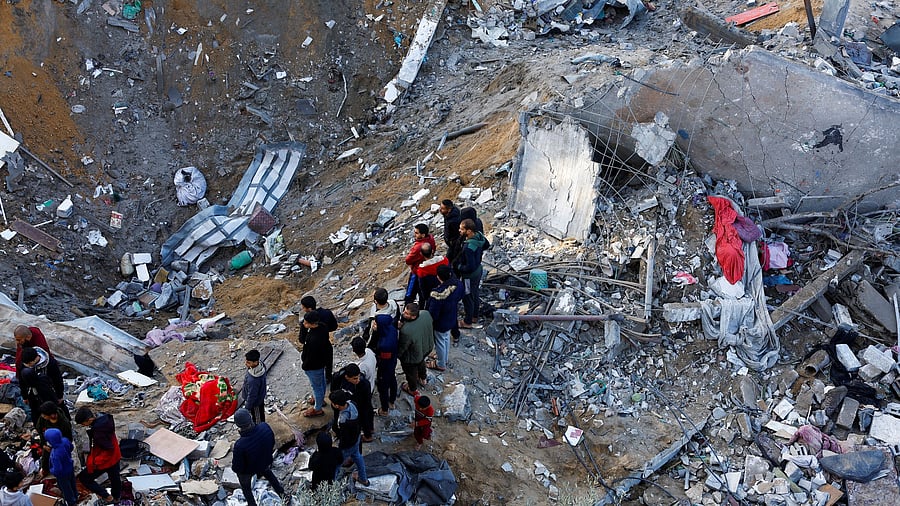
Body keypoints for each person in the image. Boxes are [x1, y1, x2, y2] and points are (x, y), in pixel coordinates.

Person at [232, 409, 286, 506]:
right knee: (268, 473)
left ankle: (252, 504)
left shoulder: (240, 445)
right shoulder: (264, 426)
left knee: (246, 487)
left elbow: (237, 467)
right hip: (265, 461)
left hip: (250, 469)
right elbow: (272, 443)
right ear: (250, 418)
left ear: (238, 426)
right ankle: (282, 494)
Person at [74, 407, 121, 504]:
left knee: (85, 478)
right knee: (115, 478)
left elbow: (108, 450)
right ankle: (116, 498)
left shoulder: (98, 431)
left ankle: (107, 496)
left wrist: (95, 462)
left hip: (105, 459)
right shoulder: (104, 419)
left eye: (83, 423)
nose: (83, 426)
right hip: (115, 456)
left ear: (89, 420)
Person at [426, 265, 464, 371]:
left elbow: (433, 314)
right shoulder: (458, 284)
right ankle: (444, 358)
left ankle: (441, 363)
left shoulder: (437, 295)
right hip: (451, 316)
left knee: (440, 342)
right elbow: (461, 296)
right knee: (445, 338)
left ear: (438, 277)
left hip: (441, 322)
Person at [328, 390, 369, 487]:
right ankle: (363, 479)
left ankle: (331, 485)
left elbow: (344, 437)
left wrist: (340, 448)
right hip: (356, 437)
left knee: (337, 464)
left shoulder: (343, 419)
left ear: (337, 405)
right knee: (357, 456)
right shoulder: (352, 404)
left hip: (348, 444)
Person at [457, 218, 488, 329]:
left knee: (468, 297)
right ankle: (475, 316)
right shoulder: (479, 236)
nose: (459, 231)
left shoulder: (468, 248)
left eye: (462, 229)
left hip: (469, 277)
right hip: (478, 271)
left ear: (469, 231)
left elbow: (470, 266)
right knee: (475, 293)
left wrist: (459, 267)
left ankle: (468, 321)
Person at [19, 347, 63, 427]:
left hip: (48, 392)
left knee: (52, 411)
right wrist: (24, 396)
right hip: (32, 394)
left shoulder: (50, 364)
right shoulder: (25, 366)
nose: (28, 366)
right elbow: (22, 381)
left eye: (29, 364)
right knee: (36, 412)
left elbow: (58, 380)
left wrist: (60, 395)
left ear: (35, 359)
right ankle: (40, 429)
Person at [299, 296, 338, 382]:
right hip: (325, 344)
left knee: (317, 368)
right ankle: (328, 377)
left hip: (314, 350)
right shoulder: (327, 314)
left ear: (309, 308)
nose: (302, 309)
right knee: (328, 362)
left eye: (303, 307)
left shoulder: (306, 323)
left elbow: (302, 339)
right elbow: (334, 326)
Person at [300, 311, 332, 417]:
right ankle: (320, 399)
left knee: (316, 386)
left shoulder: (313, 339)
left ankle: (317, 408)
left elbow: (310, 356)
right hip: (321, 362)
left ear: (312, 324)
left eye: (306, 322)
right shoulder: (323, 327)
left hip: (313, 366)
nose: (304, 323)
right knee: (321, 382)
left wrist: (305, 365)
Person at [398, 303, 433, 396]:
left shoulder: (406, 331)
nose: (403, 314)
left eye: (406, 313)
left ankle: (412, 388)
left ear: (413, 317)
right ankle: (423, 378)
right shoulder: (425, 314)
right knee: (421, 363)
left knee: (411, 373)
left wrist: (397, 355)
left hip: (412, 357)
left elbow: (402, 348)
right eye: (404, 311)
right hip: (426, 347)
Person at [337, 364, 374, 443]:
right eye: (355, 378)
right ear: (347, 377)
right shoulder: (341, 378)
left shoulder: (364, 384)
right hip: (357, 403)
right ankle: (370, 430)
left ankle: (368, 436)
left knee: (365, 418)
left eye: (358, 377)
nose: (358, 380)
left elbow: (367, 401)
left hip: (362, 405)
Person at [37, 401, 73, 481]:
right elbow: (40, 431)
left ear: (52, 415)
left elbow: (68, 439)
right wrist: (43, 444)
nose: (42, 416)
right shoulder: (43, 419)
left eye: (44, 415)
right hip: (48, 442)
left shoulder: (64, 423)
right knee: (45, 456)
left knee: (59, 460)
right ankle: (45, 470)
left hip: (59, 444)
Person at [372, 314, 398, 416]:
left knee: (383, 387)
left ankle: (384, 409)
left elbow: (383, 361)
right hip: (393, 360)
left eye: (376, 323)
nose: (374, 324)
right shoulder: (392, 329)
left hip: (385, 365)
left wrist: (380, 373)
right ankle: (392, 400)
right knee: (392, 379)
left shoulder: (384, 345)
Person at [404, 224, 436, 304]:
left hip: (416, 271)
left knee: (410, 293)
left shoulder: (418, 247)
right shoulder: (431, 239)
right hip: (427, 269)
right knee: (423, 292)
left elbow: (408, 260)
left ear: (423, 234)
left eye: (417, 233)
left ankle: (408, 308)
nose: (415, 234)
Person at [44, 428, 77, 506]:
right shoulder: (65, 441)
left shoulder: (56, 455)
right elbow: (71, 447)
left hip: (62, 474)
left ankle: (71, 502)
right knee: (72, 483)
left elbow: (57, 470)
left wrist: (51, 470)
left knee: (66, 489)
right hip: (70, 467)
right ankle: (76, 495)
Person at [416, 242, 449, 307]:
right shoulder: (444, 260)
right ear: (432, 251)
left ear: (421, 254)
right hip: (447, 290)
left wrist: (426, 298)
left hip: (433, 295)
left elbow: (423, 287)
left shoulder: (422, 270)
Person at [242, 349, 267, 424]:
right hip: (260, 396)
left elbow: (252, 395)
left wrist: (247, 408)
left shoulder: (253, 380)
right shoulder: (261, 365)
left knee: (257, 418)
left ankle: (261, 430)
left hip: (255, 403)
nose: (246, 364)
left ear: (255, 362)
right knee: (260, 413)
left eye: (248, 362)